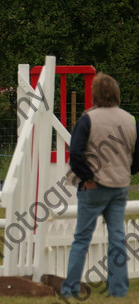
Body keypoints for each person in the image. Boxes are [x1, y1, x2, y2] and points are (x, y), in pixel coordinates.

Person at [61, 73, 139, 298]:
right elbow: (138, 155)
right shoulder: (130, 119)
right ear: (117, 93)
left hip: (93, 188)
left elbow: (75, 153)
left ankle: (70, 288)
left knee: (82, 239)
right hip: (119, 187)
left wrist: (88, 178)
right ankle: (118, 290)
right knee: (117, 238)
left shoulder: (88, 118)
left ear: (95, 94)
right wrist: (127, 173)